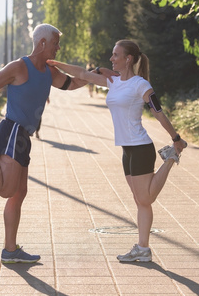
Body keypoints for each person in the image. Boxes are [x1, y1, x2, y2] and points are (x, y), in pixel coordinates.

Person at [47, 39, 188, 263]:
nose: (111, 59)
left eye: (115, 55)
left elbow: (159, 112)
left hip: (141, 147)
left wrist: (176, 138)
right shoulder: (113, 81)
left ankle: (171, 157)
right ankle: (142, 249)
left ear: (128, 59)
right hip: (127, 150)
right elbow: (83, 74)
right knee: (139, 200)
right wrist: (55, 63)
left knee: (146, 198)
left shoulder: (141, 85)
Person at [0, 24, 87, 264]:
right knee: (6, 190)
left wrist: (95, 76)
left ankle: (10, 250)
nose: (58, 48)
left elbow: (71, 84)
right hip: (12, 130)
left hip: (24, 136)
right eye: (55, 43)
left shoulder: (48, 72)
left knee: (19, 193)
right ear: (42, 43)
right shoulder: (19, 67)